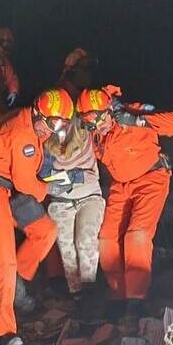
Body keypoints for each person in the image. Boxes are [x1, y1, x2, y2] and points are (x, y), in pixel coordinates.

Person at [0, 88, 73, 345]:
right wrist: (55, 188)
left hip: (8, 188)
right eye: (51, 123)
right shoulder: (22, 132)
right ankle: (4, 331)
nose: (53, 129)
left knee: (45, 231)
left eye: (60, 125)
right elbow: (28, 185)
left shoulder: (34, 126)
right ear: (38, 113)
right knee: (3, 260)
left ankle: (17, 285)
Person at [76, 86, 173, 319]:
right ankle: (119, 295)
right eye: (88, 122)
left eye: (98, 119)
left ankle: (136, 300)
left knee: (136, 235)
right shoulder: (95, 133)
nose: (96, 126)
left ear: (109, 110)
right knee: (106, 238)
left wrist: (138, 121)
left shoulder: (132, 112)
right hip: (121, 185)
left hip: (151, 177)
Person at [42, 117, 105, 310]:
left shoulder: (85, 135)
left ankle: (90, 289)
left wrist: (69, 177)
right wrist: (73, 176)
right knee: (66, 246)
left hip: (89, 196)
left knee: (85, 240)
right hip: (61, 201)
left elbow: (91, 175)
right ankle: (76, 294)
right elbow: (43, 176)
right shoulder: (45, 144)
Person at [0, 27, 20, 107]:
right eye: (4, 42)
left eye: (9, 43)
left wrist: (13, 91)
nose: (6, 45)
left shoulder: (5, 62)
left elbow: (12, 77)